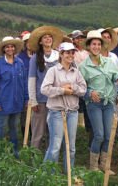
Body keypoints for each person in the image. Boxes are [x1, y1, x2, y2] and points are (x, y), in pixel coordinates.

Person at [79, 30, 118, 175]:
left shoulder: (109, 62)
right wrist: (89, 93)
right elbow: (80, 89)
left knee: (107, 135)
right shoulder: (83, 66)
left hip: (108, 103)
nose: (96, 47)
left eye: (99, 44)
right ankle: (93, 166)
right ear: (88, 46)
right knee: (98, 134)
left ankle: (104, 165)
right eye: (94, 44)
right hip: (94, 104)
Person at [41, 42, 86, 173]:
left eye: (72, 52)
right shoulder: (53, 71)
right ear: (61, 54)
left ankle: (69, 174)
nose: (70, 55)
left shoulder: (76, 72)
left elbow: (83, 90)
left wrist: (73, 89)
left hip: (72, 112)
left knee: (71, 147)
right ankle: (48, 174)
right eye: (67, 52)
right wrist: (61, 90)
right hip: (56, 112)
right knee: (55, 146)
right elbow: (44, 89)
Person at [0, 36, 28, 158]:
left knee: (14, 127)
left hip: (17, 102)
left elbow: (24, 82)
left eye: (12, 46)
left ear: (15, 49)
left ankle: (14, 151)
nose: (10, 48)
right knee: (2, 128)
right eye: (7, 47)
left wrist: (26, 99)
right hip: (3, 102)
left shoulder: (19, 63)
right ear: (4, 49)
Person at [27, 26, 63, 150]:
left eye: (49, 37)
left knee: (53, 132)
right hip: (41, 99)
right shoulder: (35, 58)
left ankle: (50, 160)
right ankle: (33, 157)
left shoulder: (59, 57)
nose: (48, 39)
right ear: (40, 42)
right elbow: (32, 80)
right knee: (38, 131)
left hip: (55, 99)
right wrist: (33, 100)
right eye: (45, 38)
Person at [17, 31, 31, 137]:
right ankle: (26, 136)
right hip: (23, 89)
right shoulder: (20, 57)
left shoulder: (39, 56)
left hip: (37, 89)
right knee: (25, 114)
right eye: (27, 42)